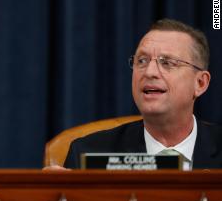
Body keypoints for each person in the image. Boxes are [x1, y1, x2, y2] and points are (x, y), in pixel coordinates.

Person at [63, 19, 222, 170]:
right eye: (142, 61)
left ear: (200, 83)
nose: (149, 72)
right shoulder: (86, 154)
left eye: (167, 63)